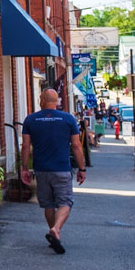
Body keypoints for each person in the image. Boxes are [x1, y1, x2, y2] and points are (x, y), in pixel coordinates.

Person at [21, 89, 86, 254]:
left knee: (48, 204)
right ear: (56, 101)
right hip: (62, 168)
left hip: (41, 169)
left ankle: (55, 234)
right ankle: (56, 229)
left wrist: (24, 168)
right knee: (65, 202)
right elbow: (77, 146)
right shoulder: (68, 119)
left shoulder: (31, 119)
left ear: (42, 99)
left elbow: (26, 146)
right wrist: (82, 168)